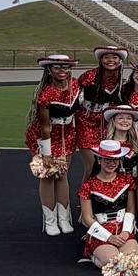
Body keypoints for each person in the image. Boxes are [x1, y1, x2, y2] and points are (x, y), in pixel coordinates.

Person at [25, 53, 81, 235]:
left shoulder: (75, 87)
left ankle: (63, 218)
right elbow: (44, 126)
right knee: (48, 175)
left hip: (69, 136)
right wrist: (46, 153)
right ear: (50, 70)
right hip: (49, 137)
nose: (62, 71)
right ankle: (49, 220)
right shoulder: (46, 94)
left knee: (62, 175)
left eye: (65, 67)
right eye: (57, 67)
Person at [78, 139, 138, 268]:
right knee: (114, 262)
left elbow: (131, 208)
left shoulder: (127, 180)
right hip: (101, 232)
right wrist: (109, 237)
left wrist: (126, 231)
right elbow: (87, 217)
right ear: (99, 160)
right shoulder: (88, 185)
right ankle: (95, 256)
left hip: (123, 229)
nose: (111, 163)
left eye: (115, 160)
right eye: (107, 159)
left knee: (131, 261)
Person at [77, 46, 128, 181]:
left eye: (114, 57)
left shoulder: (120, 77)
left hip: (108, 124)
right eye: (106, 57)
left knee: (105, 165)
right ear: (100, 59)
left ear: (120, 60)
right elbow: (72, 91)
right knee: (92, 166)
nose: (110, 60)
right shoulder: (89, 76)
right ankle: (84, 198)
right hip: (87, 122)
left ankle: (99, 197)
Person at [102, 104, 138, 176]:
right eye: (121, 118)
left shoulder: (136, 143)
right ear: (113, 120)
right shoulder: (106, 144)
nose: (125, 121)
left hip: (133, 183)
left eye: (129, 118)